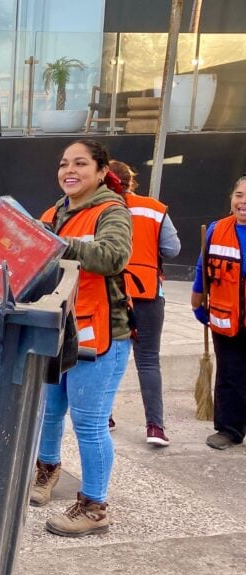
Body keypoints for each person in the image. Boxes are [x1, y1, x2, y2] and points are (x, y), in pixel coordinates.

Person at [28, 139, 132, 538]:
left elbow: (112, 257)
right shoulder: (55, 212)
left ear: (102, 170)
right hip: (57, 328)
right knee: (49, 411)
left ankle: (94, 505)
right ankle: (47, 470)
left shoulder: (112, 211)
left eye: (80, 163)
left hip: (100, 334)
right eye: (63, 164)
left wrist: (53, 243)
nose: (69, 170)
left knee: (89, 425)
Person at [109, 160, 181, 446]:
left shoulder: (98, 208)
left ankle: (106, 416)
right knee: (148, 360)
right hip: (148, 293)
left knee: (109, 357)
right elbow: (172, 250)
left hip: (111, 294)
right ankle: (155, 427)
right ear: (132, 181)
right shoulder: (154, 208)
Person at [191, 175, 246, 450]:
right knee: (230, 374)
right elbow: (204, 269)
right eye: (239, 195)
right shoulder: (217, 229)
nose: (243, 201)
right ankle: (229, 429)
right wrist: (197, 302)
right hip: (226, 316)